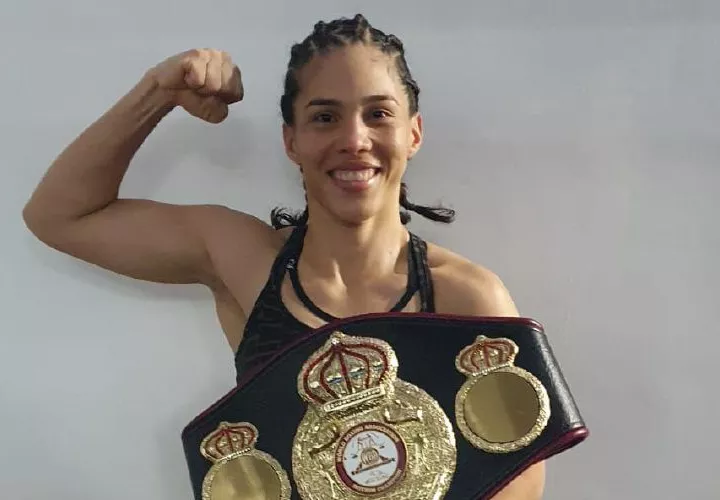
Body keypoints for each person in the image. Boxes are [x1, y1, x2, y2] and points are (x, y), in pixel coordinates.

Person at [22, 13, 545, 499]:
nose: (354, 139)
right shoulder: (244, 259)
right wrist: (157, 92)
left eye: (378, 114)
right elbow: (59, 216)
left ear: (413, 133)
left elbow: (517, 484)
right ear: (291, 141)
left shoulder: (468, 297)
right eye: (325, 117)